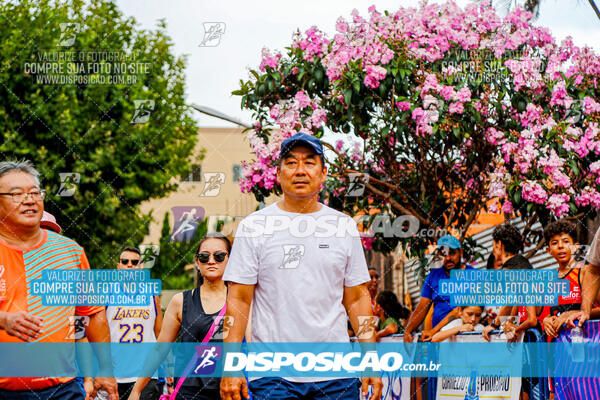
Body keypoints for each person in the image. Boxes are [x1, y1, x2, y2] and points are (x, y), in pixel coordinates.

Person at [219, 132, 382, 400]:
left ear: (323, 173)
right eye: (291, 162)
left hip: (336, 374)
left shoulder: (343, 226)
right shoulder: (254, 227)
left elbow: (356, 299)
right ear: (279, 173)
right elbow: (238, 299)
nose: (300, 170)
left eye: (309, 162)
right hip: (273, 375)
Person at [0, 160, 118, 399]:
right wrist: (3, 320)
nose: (29, 200)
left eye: (35, 192)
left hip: (62, 390)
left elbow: (93, 314)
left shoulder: (70, 252)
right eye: (16, 194)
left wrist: (105, 369)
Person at [129, 233, 231, 400]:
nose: (211, 261)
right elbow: (159, 348)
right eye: (204, 257)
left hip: (228, 390)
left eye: (219, 256)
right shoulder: (181, 301)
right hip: (189, 392)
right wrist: (136, 390)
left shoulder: (240, 302)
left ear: (230, 260)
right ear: (197, 262)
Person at [106, 246, 163, 400]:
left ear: (140, 267)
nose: (130, 265)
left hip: (145, 375)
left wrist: (168, 367)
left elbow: (161, 334)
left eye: (134, 262)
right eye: (125, 262)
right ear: (118, 267)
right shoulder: (107, 294)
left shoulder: (152, 295)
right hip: (115, 374)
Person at [404, 235, 474, 343]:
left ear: (461, 253)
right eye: (443, 254)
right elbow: (422, 306)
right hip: (439, 338)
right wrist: (408, 331)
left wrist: (433, 331)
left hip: (463, 335)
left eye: (452, 253)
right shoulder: (433, 276)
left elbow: (458, 311)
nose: (448, 258)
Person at [483, 224, 539, 342]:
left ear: (499, 245)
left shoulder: (510, 269)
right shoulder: (523, 264)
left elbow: (511, 301)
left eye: (493, 245)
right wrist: (510, 322)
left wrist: (495, 325)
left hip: (532, 333)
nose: (493, 250)